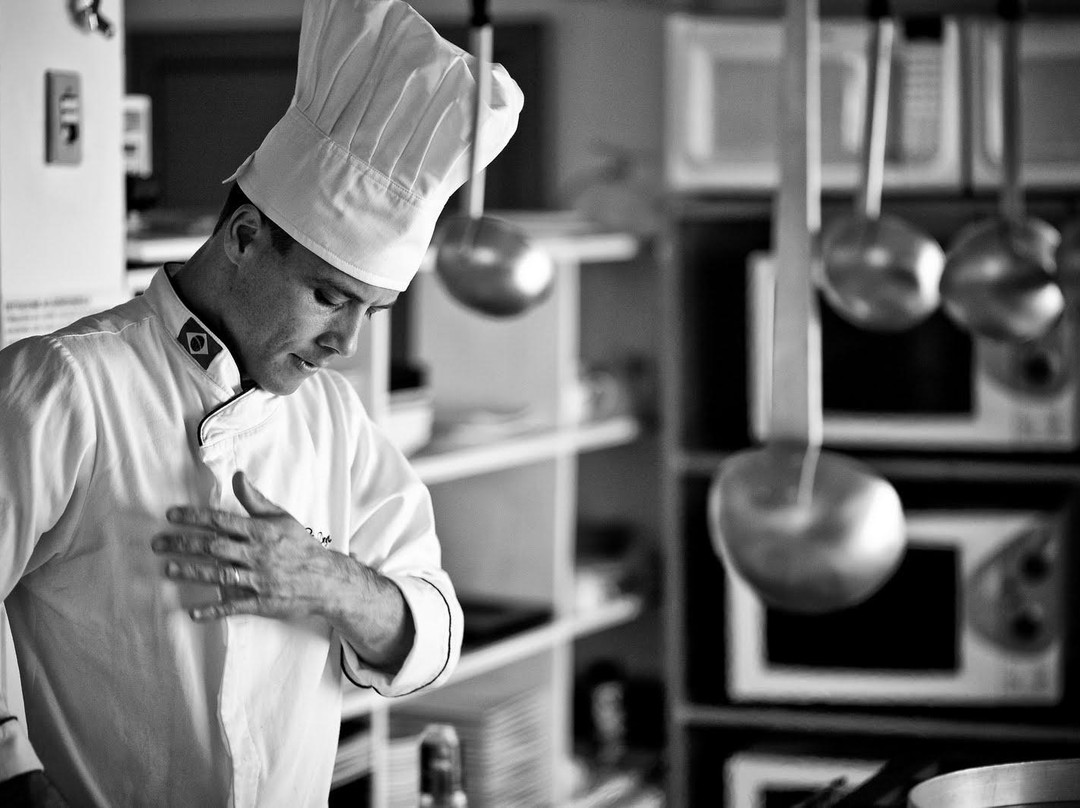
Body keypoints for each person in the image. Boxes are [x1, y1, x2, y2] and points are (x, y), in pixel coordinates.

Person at [0, 0, 522, 805]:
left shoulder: (336, 421)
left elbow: (437, 632)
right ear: (244, 236)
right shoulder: (67, 383)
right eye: (328, 296)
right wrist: (13, 773)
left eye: (370, 311)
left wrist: (329, 582)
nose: (348, 342)